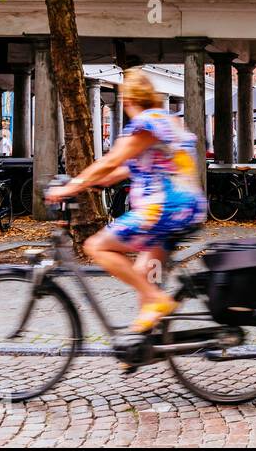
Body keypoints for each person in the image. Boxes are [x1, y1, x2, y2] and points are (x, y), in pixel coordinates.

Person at [46, 68, 207, 332]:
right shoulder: (166, 121)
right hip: (185, 211)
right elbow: (120, 171)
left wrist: (73, 185)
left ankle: (157, 300)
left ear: (127, 100)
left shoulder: (145, 125)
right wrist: (95, 183)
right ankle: (143, 344)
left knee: (96, 246)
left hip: (163, 211)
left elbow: (111, 160)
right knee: (146, 272)